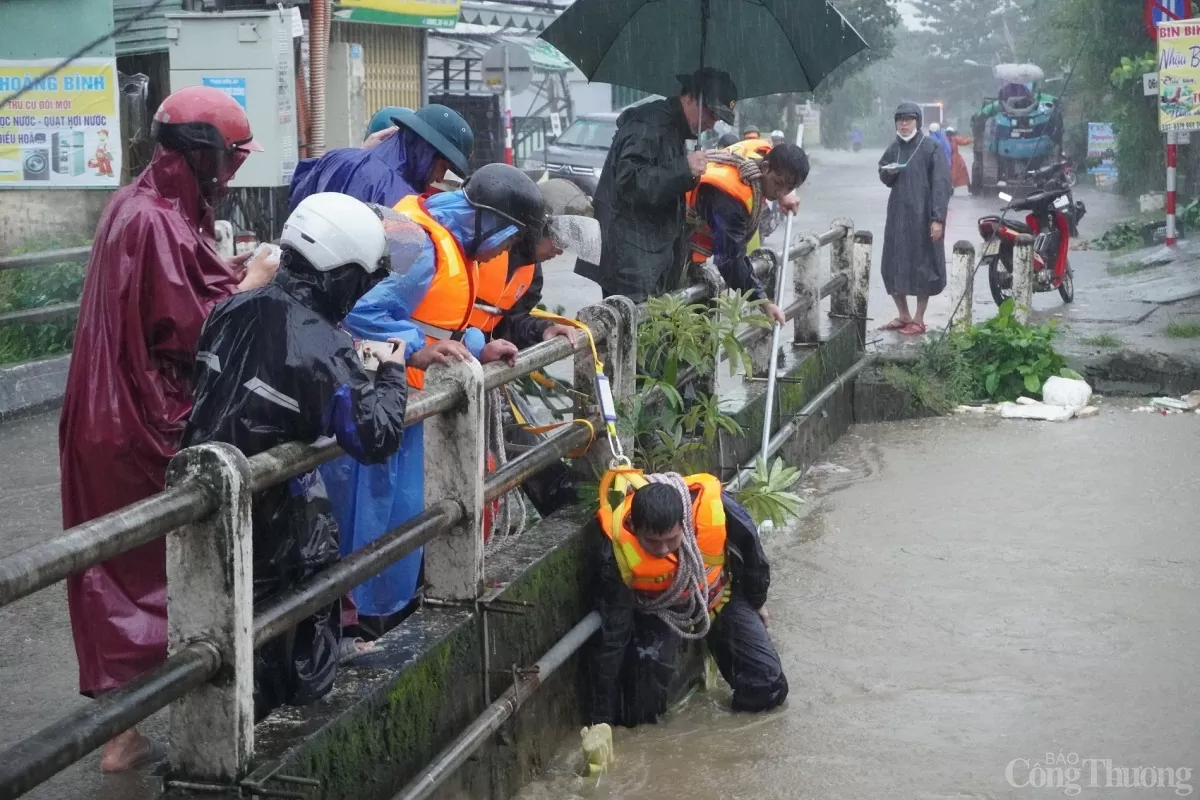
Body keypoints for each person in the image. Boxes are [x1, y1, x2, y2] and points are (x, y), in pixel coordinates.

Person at [59, 85, 278, 773]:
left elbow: (188, 286)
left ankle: (127, 727)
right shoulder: (154, 221)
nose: (234, 175)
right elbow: (195, 325)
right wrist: (258, 279)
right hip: (134, 421)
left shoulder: (140, 206)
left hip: (106, 415)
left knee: (116, 569)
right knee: (142, 570)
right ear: (205, 158)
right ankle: (123, 738)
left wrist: (236, 271)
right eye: (232, 161)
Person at [183, 193, 410, 719]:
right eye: (359, 280)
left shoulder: (231, 307)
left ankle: (226, 731)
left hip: (202, 496)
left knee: (220, 633)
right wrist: (393, 369)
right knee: (283, 642)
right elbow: (373, 436)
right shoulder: (322, 344)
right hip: (277, 519)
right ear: (339, 272)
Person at [319, 164, 548, 630]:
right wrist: (419, 350)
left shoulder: (444, 237)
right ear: (489, 221)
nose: (505, 251)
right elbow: (360, 315)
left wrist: (482, 347)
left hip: (410, 402)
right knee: (376, 517)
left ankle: (385, 610)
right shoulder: (421, 244)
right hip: (381, 398)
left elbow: (436, 319)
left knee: (405, 513)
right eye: (508, 239)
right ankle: (363, 622)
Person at [587, 470, 788, 727]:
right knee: (637, 714)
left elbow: (751, 548)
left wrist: (757, 600)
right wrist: (602, 718)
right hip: (659, 614)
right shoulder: (615, 552)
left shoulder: (717, 509)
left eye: (671, 540)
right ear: (634, 528)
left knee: (769, 687)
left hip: (717, 598)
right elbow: (613, 635)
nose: (662, 550)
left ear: (684, 522)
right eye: (652, 542)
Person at [575, 67, 738, 301]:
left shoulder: (674, 128)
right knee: (633, 332)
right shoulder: (650, 123)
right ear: (690, 97)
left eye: (718, 118)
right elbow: (629, 182)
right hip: (631, 262)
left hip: (649, 258)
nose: (712, 124)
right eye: (711, 113)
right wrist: (684, 168)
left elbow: (660, 185)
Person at [686, 143, 809, 324]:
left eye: (789, 188)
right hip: (669, 235)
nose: (780, 192)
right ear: (765, 168)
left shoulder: (760, 156)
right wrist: (764, 302)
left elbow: (769, 152)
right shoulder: (729, 198)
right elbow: (729, 260)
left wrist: (782, 194)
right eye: (778, 184)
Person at [288, 104, 473, 210]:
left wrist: (362, 154)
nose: (441, 177)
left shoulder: (337, 158)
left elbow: (296, 198)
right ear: (428, 153)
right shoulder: (405, 201)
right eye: (443, 166)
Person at [877, 102, 951, 336]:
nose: (904, 124)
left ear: (917, 122)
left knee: (923, 266)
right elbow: (882, 172)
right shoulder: (894, 148)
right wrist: (887, 172)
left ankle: (919, 319)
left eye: (909, 119)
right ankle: (903, 315)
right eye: (900, 120)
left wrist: (937, 219)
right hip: (897, 217)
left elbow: (941, 185)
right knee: (892, 264)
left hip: (923, 218)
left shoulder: (931, 147)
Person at [945, 126, 972, 192]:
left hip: (957, 159)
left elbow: (964, 141)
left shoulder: (955, 139)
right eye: (950, 134)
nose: (951, 135)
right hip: (949, 159)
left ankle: (969, 186)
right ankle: (950, 187)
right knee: (951, 174)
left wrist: (972, 140)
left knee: (963, 172)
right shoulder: (944, 140)